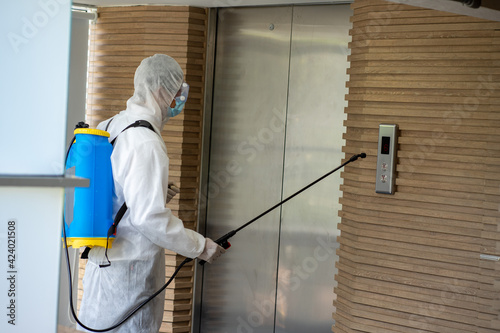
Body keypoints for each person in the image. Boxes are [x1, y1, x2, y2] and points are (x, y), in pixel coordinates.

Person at [78, 54, 225, 332]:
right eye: (178, 91)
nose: (180, 99)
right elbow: (149, 219)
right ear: (160, 90)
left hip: (103, 262)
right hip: (130, 270)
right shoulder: (146, 142)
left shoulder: (111, 125)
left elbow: (113, 192)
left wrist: (151, 194)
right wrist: (201, 247)